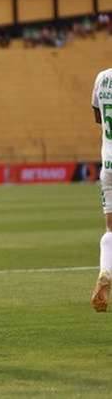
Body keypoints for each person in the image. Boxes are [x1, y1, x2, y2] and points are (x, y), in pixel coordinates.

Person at [91, 68, 112, 312]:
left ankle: (105, 271)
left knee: (110, 228)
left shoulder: (102, 77)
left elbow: (98, 117)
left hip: (108, 164)